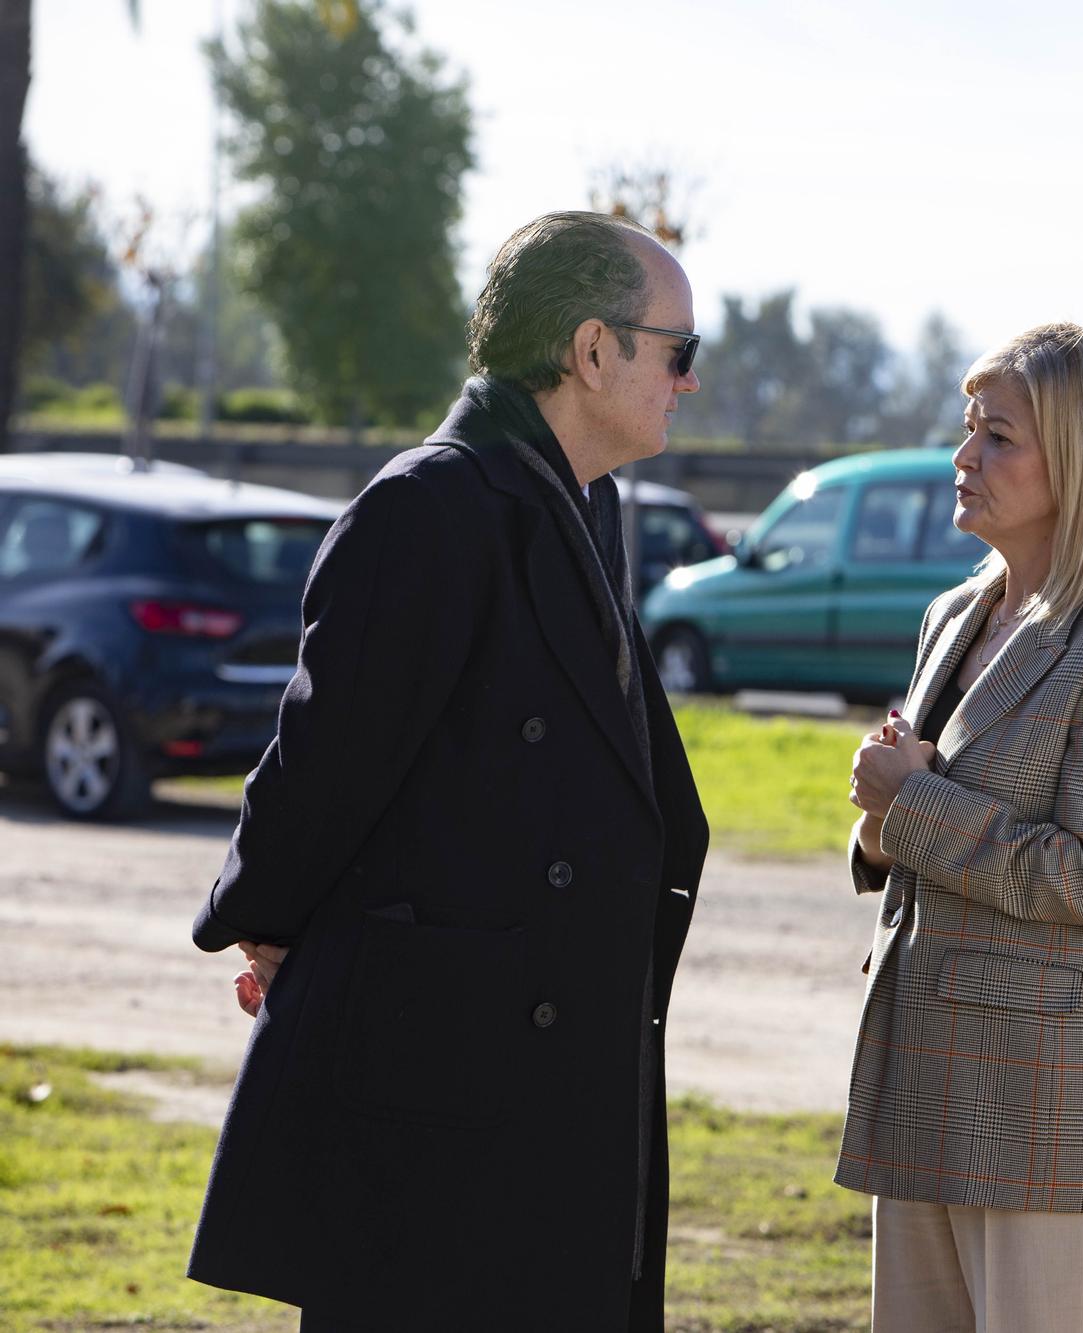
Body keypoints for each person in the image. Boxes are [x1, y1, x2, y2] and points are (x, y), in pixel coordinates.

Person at [185, 211, 709, 1331]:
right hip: (442, 1095)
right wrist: (264, 917)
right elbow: (325, 760)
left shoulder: (579, 502)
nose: (688, 383)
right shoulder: (428, 506)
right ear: (591, 350)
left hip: (545, 1086)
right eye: (679, 352)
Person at [840, 322, 1083, 1333]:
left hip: (1041, 1106)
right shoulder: (954, 612)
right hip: (917, 1076)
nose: (964, 458)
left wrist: (910, 804)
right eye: (968, 428)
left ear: (1080, 462)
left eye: (998, 436)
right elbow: (909, 821)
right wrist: (875, 830)